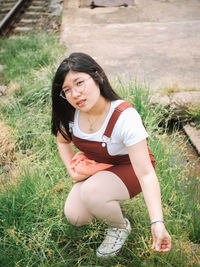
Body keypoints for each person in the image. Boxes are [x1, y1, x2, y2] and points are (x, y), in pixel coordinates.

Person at [51, 52, 171, 258]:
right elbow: (62, 141)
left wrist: (157, 222)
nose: (76, 94)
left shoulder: (124, 117)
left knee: (91, 192)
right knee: (76, 215)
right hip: (100, 168)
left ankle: (119, 227)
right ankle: (108, 203)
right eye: (67, 90)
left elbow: (146, 174)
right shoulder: (70, 113)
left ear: (98, 76)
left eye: (80, 83)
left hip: (131, 169)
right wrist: (72, 170)